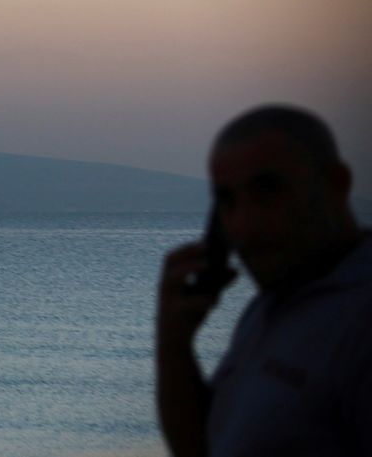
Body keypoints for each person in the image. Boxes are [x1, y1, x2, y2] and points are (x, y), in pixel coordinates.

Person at [155, 104, 371, 457]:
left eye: (267, 192)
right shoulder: (271, 305)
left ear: (336, 184)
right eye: (228, 202)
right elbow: (203, 447)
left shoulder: (360, 321)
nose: (244, 224)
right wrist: (173, 344)